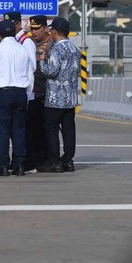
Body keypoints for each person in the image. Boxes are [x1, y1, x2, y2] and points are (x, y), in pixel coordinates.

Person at [0, 20, 34, 176]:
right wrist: (27, 94)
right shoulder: (23, 49)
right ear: (14, 32)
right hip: (20, 92)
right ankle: (19, 164)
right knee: (19, 130)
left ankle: (3, 165)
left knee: (2, 131)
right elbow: (29, 73)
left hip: (2, 93)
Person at [38, 17, 81, 173]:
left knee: (52, 130)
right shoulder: (75, 49)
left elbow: (51, 71)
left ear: (54, 31)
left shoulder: (56, 49)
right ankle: (68, 160)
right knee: (69, 129)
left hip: (55, 98)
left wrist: (43, 60)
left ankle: (55, 161)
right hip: (70, 98)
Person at [24, 15, 53, 174]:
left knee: (44, 130)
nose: (34, 32)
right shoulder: (29, 43)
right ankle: (34, 159)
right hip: (32, 93)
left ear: (45, 28)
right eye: (32, 29)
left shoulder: (51, 44)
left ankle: (45, 159)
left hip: (46, 93)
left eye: (37, 29)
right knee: (31, 129)